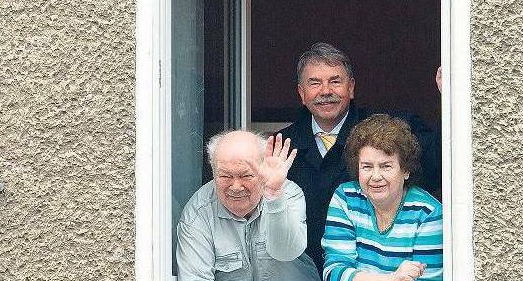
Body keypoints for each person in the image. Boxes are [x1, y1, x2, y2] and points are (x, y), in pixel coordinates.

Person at [280, 43, 441, 270]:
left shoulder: (389, 132)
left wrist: (452, 99)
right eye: (315, 83)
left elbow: (439, 162)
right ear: (301, 93)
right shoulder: (280, 148)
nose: (325, 91)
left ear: (351, 87)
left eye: (335, 81)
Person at [175, 130, 320, 281]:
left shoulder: (287, 193)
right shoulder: (199, 211)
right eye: (225, 176)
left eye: (246, 175)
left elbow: (286, 251)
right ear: (213, 172)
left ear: (263, 170)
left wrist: (274, 196)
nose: (236, 186)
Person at [322, 114, 443, 281]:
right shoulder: (346, 198)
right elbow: (334, 272)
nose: (375, 176)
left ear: (406, 170)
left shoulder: (428, 213)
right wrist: (391, 279)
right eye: (367, 167)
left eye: (386, 166)